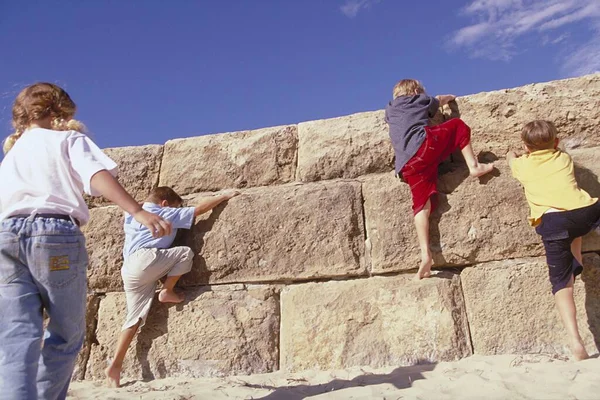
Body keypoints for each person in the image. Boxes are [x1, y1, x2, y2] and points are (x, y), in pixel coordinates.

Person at [0, 82, 171, 399]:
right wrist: (137, 211)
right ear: (58, 111)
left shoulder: (10, 156)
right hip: (54, 238)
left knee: (16, 335)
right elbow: (96, 176)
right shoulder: (67, 139)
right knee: (65, 333)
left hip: (6, 241)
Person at [105, 186, 239, 388]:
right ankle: (168, 290)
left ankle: (115, 366)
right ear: (165, 203)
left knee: (133, 320)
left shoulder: (132, 212)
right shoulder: (162, 211)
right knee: (185, 253)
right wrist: (224, 195)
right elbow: (199, 210)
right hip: (146, 260)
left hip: (130, 269)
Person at [507, 120, 600, 361]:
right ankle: (575, 261)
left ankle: (576, 343)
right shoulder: (563, 159)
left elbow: (510, 159)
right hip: (585, 212)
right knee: (576, 224)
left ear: (526, 148)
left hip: (553, 222)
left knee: (562, 284)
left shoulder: (521, 166)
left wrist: (512, 153)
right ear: (556, 143)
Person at [385, 79, 494, 280]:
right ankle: (474, 166)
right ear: (416, 91)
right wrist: (450, 99)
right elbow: (439, 100)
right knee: (458, 126)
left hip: (406, 166)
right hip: (424, 147)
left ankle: (425, 253)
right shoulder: (419, 99)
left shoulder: (390, 110)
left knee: (421, 206)